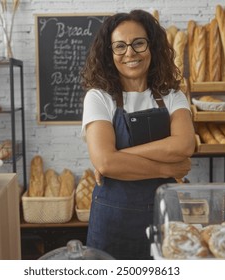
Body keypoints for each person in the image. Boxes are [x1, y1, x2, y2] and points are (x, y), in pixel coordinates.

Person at [80, 9, 195, 260]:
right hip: (113, 223)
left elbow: (185, 145)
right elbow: (106, 162)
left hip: (165, 216)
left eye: (138, 43)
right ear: (110, 54)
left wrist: (120, 156)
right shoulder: (99, 97)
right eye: (119, 46)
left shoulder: (172, 96)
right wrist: (167, 168)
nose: (130, 53)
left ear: (151, 46)